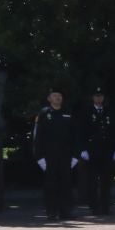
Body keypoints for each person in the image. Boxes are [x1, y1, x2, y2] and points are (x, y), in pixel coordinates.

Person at [33, 88, 78, 221]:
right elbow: (38, 136)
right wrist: (39, 156)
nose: (58, 98)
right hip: (49, 155)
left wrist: (75, 155)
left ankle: (66, 211)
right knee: (51, 185)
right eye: (55, 95)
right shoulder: (44, 113)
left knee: (66, 184)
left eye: (60, 95)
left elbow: (75, 135)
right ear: (49, 98)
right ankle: (51, 211)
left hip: (66, 155)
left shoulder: (68, 112)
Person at [80, 90, 115, 215]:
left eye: (101, 96)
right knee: (92, 181)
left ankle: (105, 206)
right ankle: (93, 206)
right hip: (92, 150)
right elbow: (80, 131)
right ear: (93, 98)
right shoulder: (86, 112)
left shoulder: (109, 111)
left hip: (107, 150)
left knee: (106, 180)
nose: (99, 99)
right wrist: (83, 149)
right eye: (96, 96)